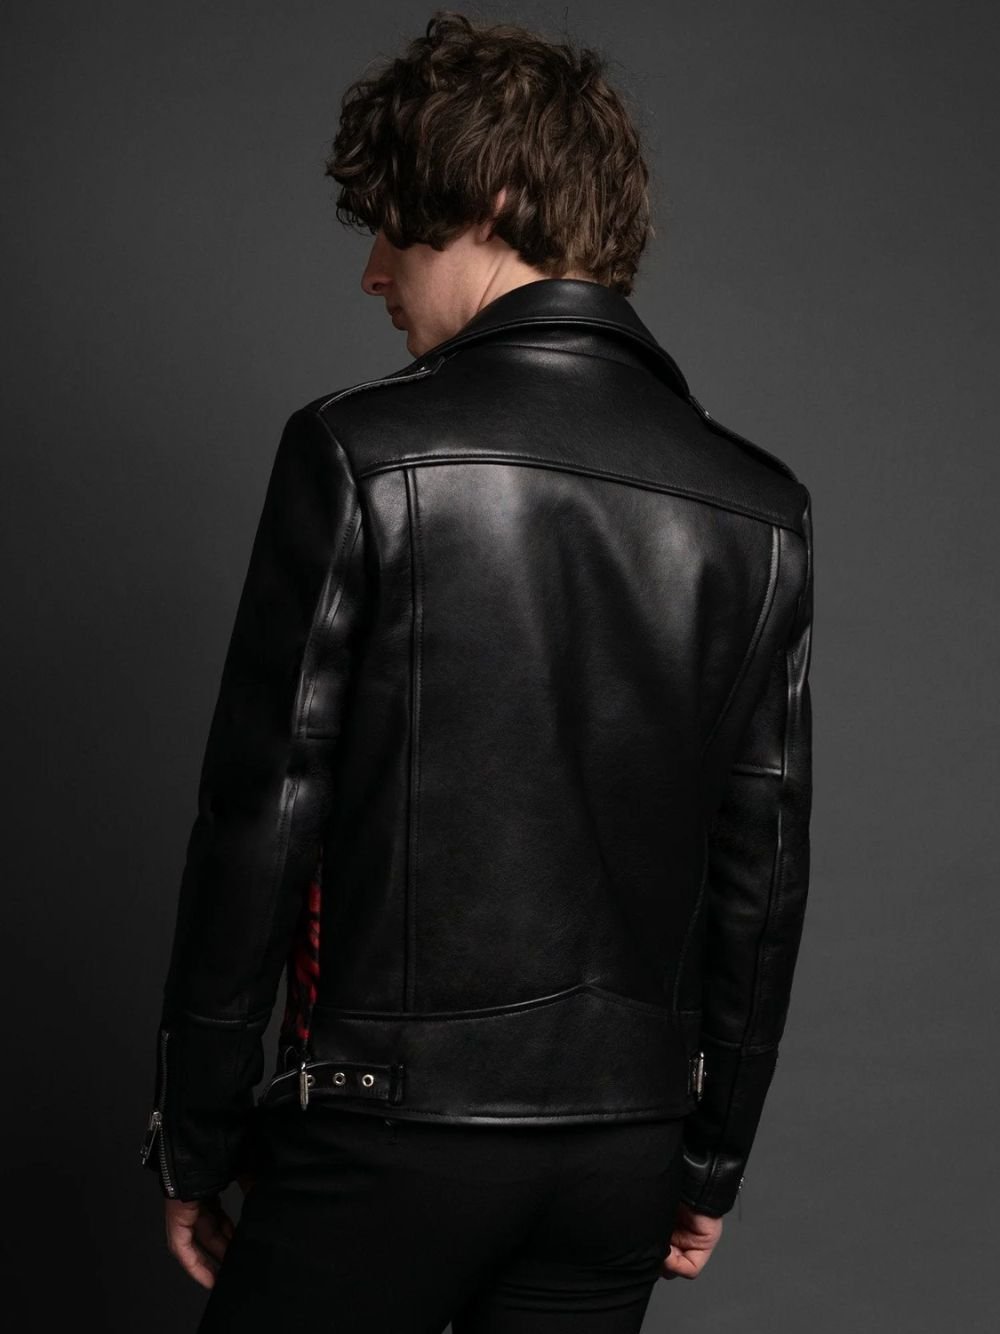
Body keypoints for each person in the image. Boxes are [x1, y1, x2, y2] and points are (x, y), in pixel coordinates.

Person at [139, 10, 814, 1331]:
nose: (372, 273)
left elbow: (263, 818)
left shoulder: (362, 453)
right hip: (622, 1152)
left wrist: (197, 1136)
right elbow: (764, 868)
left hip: (389, 1137)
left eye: (393, 229)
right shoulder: (760, 507)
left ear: (494, 201)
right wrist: (709, 1152)